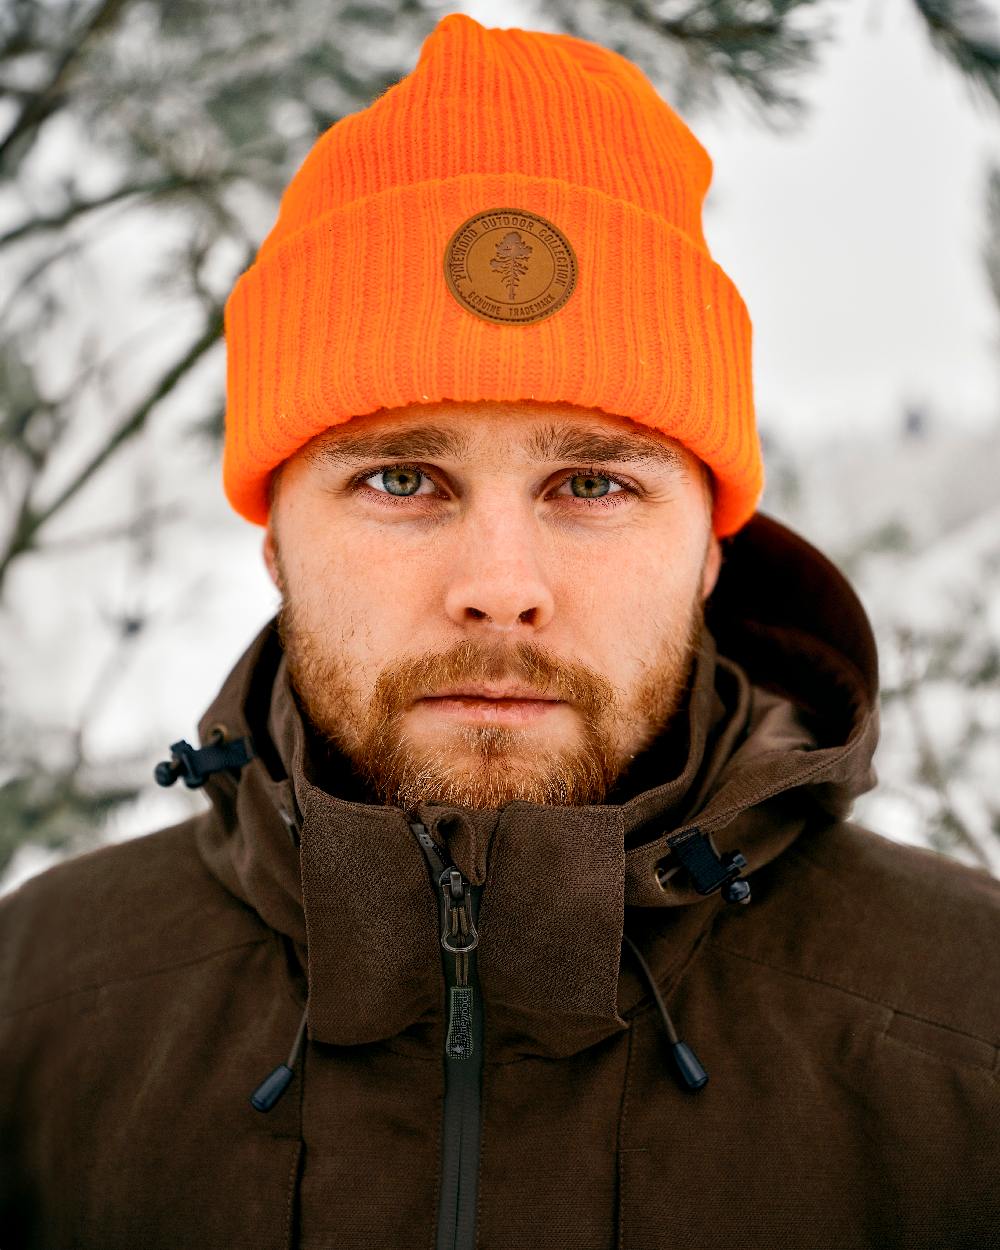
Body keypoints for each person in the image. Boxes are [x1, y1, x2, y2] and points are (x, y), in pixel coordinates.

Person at [1, 13, 997, 1250]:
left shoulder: (968, 1027)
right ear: (271, 538)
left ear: (708, 550)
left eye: (592, 484)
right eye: (401, 480)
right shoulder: (38, 1000)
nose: (499, 587)